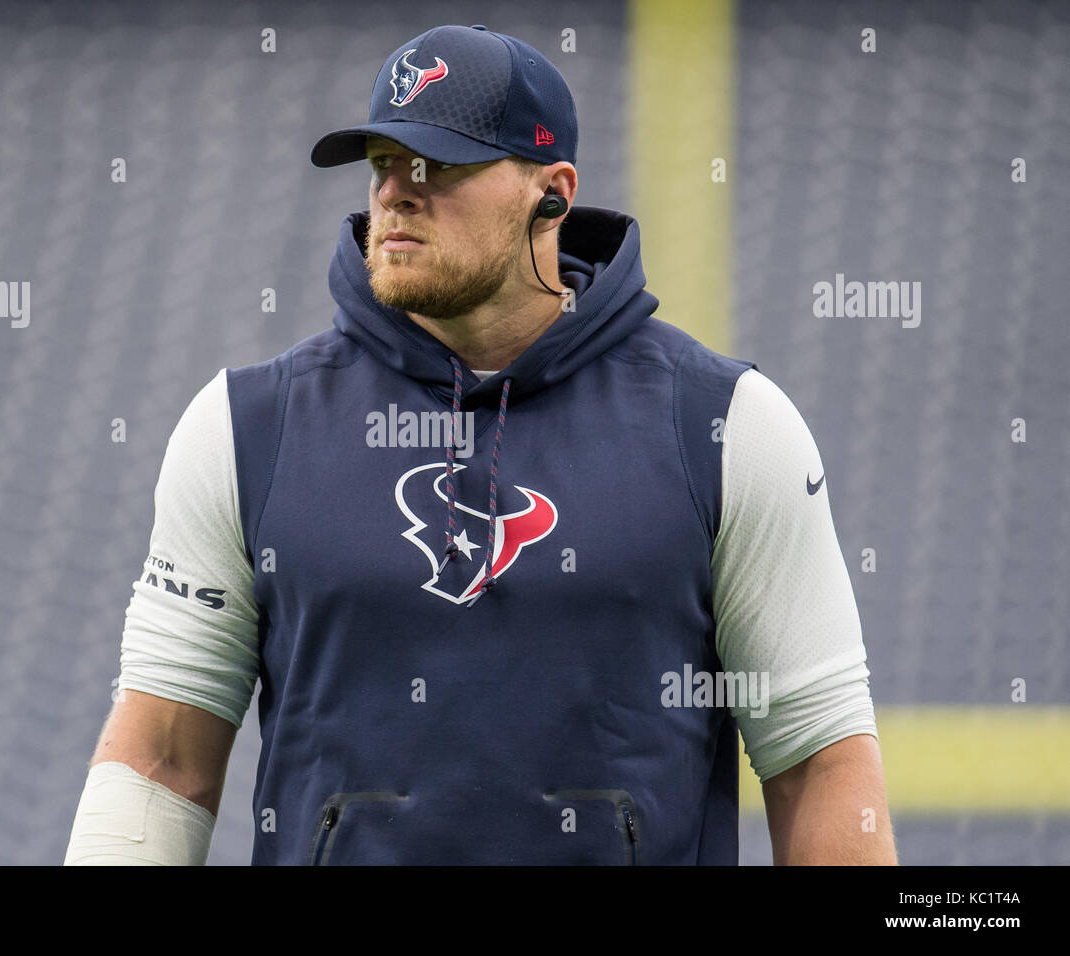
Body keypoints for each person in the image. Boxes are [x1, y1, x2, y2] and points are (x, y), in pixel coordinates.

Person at [64, 23, 895, 866]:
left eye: (440, 165)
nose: (397, 192)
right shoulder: (245, 427)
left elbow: (818, 760)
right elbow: (161, 761)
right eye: (384, 161)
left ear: (553, 193)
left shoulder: (726, 427)